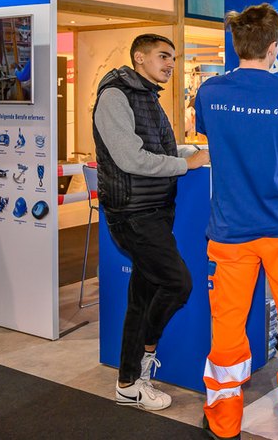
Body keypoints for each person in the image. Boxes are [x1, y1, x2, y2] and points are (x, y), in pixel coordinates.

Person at [195, 3, 278, 440]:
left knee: (227, 326)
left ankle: (224, 421)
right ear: (274, 47)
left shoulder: (210, 92)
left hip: (231, 231)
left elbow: (211, 140)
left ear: (236, 45)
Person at [92, 34, 209, 411]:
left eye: (173, 58)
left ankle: (128, 382)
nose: (171, 64)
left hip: (153, 211)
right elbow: (130, 158)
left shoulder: (145, 95)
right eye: (163, 56)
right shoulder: (115, 96)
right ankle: (142, 361)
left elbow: (153, 149)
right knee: (177, 284)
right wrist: (183, 163)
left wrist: (192, 153)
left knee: (141, 299)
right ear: (139, 57)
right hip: (133, 214)